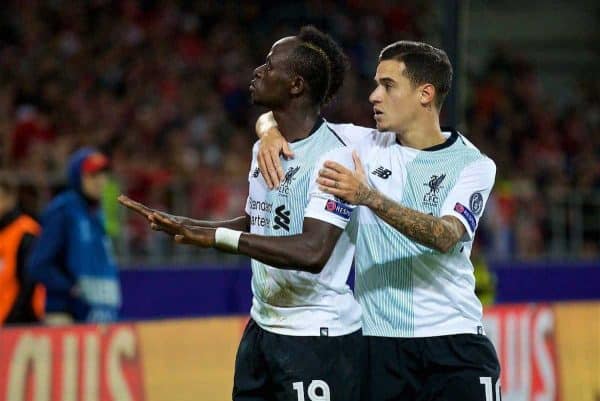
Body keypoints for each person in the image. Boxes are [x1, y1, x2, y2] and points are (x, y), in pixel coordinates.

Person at [120, 26, 370, 401]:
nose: (257, 71)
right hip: (262, 331)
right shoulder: (264, 149)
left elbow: (313, 251)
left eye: (270, 66)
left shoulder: (337, 154)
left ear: (296, 85)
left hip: (317, 338)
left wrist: (216, 237)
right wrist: (193, 228)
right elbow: (259, 224)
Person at [256, 41, 501, 401]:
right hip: (377, 346)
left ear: (425, 94)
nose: (374, 96)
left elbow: (446, 235)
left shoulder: (473, 165)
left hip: (454, 343)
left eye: (387, 86)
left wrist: (368, 196)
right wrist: (268, 131)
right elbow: (289, 117)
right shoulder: (361, 146)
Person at [28, 148, 121, 324]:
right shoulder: (62, 211)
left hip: (96, 314)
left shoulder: (98, 214)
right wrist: (71, 289)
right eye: (92, 175)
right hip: (65, 314)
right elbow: (38, 264)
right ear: (77, 177)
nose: (100, 181)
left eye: (103, 175)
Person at [0, 175, 45, 325]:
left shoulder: (26, 232)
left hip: (19, 323)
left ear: (10, 198)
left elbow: (29, 283)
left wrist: (14, 321)